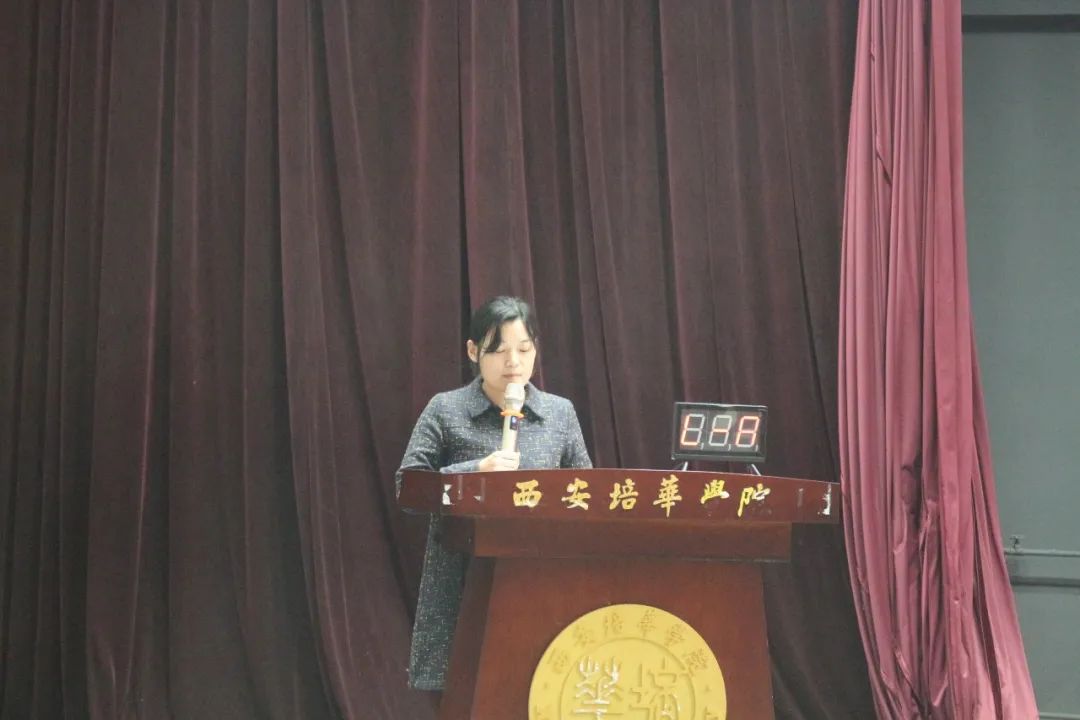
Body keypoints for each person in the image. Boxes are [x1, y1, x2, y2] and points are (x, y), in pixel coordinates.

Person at [396, 295, 592, 691]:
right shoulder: (446, 409)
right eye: (499, 351)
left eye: (524, 349)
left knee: (537, 692)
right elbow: (410, 488)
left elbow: (585, 494)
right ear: (473, 351)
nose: (513, 363)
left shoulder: (560, 413)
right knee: (466, 695)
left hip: (541, 575)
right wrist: (474, 472)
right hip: (463, 577)